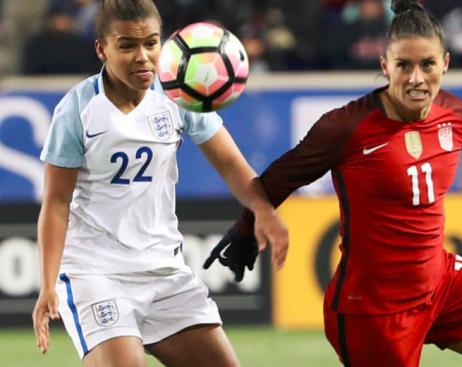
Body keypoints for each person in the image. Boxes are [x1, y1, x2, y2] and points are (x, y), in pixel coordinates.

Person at [204, 0, 462, 366]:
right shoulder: (345, 127)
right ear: (384, 66)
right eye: (404, 66)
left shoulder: (456, 114)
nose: (417, 79)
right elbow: (276, 180)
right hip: (371, 311)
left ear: (445, 63)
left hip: (443, 285)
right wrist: (244, 231)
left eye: (427, 65)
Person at [31, 0, 288, 366]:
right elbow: (56, 203)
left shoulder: (178, 95)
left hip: (164, 271)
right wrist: (47, 285)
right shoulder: (77, 110)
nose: (143, 57)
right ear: (101, 49)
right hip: (96, 273)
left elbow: (231, 164)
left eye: (151, 43)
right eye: (127, 46)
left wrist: (263, 209)